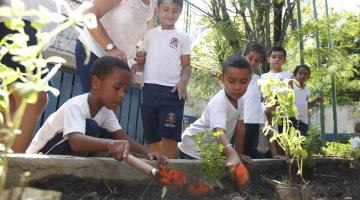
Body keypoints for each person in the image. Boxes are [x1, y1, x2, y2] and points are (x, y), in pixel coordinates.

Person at [26, 56, 166, 163]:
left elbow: (123, 137)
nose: (122, 95)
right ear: (95, 83)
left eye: (125, 90)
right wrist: (110, 145)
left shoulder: (106, 111)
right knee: (93, 129)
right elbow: (76, 142)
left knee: (110, 136)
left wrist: (148, 154)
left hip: (63, 154)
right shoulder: (77, 105)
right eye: (117, 88)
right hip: (40, 156)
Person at [132, 0, 191, 158]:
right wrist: (138, 61)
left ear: (180, 12)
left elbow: (187, 66)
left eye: (175, 10)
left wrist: (182, 83)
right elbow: (143, 63)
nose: (170, 14)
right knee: (152, 138)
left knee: (169, 137)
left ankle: (171, 178)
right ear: (157, 9)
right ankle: (156, 177)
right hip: (149, 90)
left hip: (172, 92)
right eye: (165, 9)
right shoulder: (149, 35)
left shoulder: (183, 37)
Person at [0, 0, 60, 153]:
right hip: (15, 23)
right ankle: (9, 170)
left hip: (29, 32)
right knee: (32, 98)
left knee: (9, 107)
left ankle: (4, 168)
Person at [178, 55, 253, 172]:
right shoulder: (220, 101)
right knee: (198, 185)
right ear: (221, 78)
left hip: (212, 151)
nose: (237, 87)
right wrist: (231, 154)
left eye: (243, 82)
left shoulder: (241, 99)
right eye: (231, 81)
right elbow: (218, 132)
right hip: (193, 148)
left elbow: (240, 126)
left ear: (249, 80)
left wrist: (238, 154)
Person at [76, 0, 157, 93]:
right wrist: (111, 48)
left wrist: (141, 60)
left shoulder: (153, 6)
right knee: (96, 102)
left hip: (116, 64)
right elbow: (89, 15)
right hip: (93, 52)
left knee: (106, 105)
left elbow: (144, 40)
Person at [260, 45, 292, 159]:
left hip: (283, 110)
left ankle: (286, 157)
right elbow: (263, 95)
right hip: (268, 110)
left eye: (280, 57)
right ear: (268, 59)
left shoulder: (288, 75)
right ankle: (274, 155)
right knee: (271, 132)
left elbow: (290, 94)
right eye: (273, 57)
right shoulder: (263, 76)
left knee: (284, 133)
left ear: (284, 60)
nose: (277, 59)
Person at [242, 42, 266, 159]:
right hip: (239, 122)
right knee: (236, 151)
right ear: (244, 56)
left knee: (249, 154)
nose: (253, 63)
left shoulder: (259, 81)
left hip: (254, 123)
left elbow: (265, 99)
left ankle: (246, 176)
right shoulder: (235, 78)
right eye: (250, 58)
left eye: (257, 60)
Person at [291, 64, 322, 136]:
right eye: (300, 73)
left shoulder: (307, 90)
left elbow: (307, 106)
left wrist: (316, 100)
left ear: (308, 77)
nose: (303, 76)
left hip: (304, 122)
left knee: (300, 143)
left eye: (305, 74)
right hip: (291, 119)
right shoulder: (290, 86)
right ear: (295, 74)